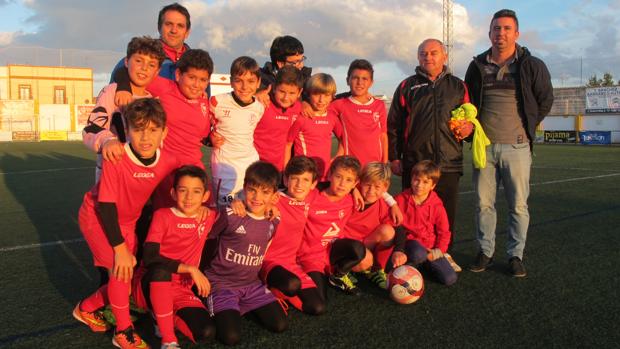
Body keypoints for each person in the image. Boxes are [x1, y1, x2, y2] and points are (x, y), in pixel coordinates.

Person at [73, 99, 180, 349]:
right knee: (120, 270)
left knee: (128, 273)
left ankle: (86, 308)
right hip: (98, 217)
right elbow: (106, 206)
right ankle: (123, 332)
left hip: (128, 222)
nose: (146, 137)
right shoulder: (117, 156)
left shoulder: (168, 161)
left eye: (153, 130)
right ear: (128, 130)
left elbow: (184, 186)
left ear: (164, 132)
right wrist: (120, 248)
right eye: (139, 129)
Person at [465, 9, 553, 277]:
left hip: (517, 147)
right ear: (489, 33)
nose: (500, 33)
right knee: (483, 204)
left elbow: (545, 100)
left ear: (516, 33)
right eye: (496, 28)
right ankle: (486, 252)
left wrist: (527, 128)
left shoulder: (531, 65)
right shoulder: (477, 65)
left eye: (506, 28)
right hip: (485, 148)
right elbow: (468, 103)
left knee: (518, 205)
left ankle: (515, 255)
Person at [387, 38, 472, 255]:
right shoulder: (407, 86)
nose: (428, 57)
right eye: (423, 53)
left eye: (434, 53)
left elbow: (470, 118)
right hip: (416, 162)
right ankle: (408, 254)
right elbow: (394, 124)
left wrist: (469, 129)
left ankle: (444, 254)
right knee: (410, 213)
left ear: (444, 56)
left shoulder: (458, 86)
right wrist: (394, 157)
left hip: (449, 161)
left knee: (445, 214)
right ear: (418, 57)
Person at [113, 48, 214, 209]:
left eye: (203, 80)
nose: (197, 85)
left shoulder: (204, 102)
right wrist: (124, 87)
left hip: (194, 169)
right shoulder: (165, 88)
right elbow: (125, 71)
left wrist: (212, 138)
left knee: (206, 213)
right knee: (169, 218)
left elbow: (200, 134)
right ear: (178, 75)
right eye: (192, 77)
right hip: (168, 172)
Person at [203, 161, 288, 346]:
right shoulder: (231, 214)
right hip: (221, 285)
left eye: (265, 192)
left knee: (279, 324)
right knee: (230, 337)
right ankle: (221, 305)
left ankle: (240, 306)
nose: (257, 197)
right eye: (252, 190)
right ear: (244, 188)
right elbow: (207, 238)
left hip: (251, 285)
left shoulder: (273, 219)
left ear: (274, 195)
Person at [131, 166, 217, 349]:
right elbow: (150, 256)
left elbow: (237, 215)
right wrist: (190, 269)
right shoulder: (162, 216)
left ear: (205, 196)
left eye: (196, 191)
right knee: (161, 272)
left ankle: (162, 315)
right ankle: (169, 340)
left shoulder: (208, 216)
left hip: (182, 289)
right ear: (173, 192)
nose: (189, 197)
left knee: (205, 331)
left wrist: (237, 204)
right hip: (151, 283)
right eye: (183, 190)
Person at [83, 36, 165, 183]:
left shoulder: (153, 101)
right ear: (127, 62)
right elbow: (91, 128)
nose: (144, 68)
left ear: (157, 71)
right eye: (139, 61)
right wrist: (107, 141)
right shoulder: (111, 92)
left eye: (151, 64)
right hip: (112, 172)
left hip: (142, 175)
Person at [260, 156, 325, 314]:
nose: (299, 185)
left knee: (318, 307)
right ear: (285, 179)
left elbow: (335, 188)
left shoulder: (311, 197)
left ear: (313, 184)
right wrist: (235, 201)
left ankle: (279, 292)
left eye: (305, 180)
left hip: (291, 263)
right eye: (294, 179)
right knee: (291, 285)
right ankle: (268, 287)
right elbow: (238, 197)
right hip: (268, 262)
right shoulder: (274, 198)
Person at [297, 156, 367, 297]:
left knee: (359, 250)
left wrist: (392, 203)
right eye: (338, 177)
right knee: (319, 302)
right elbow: (288, 194)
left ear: (355, 183)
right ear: (329, 175)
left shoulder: (351, 200)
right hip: (309, 256)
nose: (342, 184)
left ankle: (338, 275)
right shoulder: (311, 196)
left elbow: (375, 192)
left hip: (332, 251)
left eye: (348, 180)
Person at [391, 160, 457, 286]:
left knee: (450, 279)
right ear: (411, 179)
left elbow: (444, 232)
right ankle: (415, 262)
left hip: (430, 249)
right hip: (410, 245)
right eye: (417, 180)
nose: (419, 185)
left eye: (425, 182)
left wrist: (438, 251)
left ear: (433, 186)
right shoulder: (400, 199)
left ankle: (423, 264)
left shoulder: (437, 205)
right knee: (417, 253)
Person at [210, 56, 264, 206]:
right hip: (224, 166)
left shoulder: (259, 107)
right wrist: (210, 137)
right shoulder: (217, 102)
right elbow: (202, 125)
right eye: (239, 80)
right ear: (231, 81)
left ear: (258, 82)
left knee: (249, 207)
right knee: (227, 208)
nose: (245, 87)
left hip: (250, 164)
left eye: (251, 81)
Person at [342, 162, 397, 289]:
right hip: (343, 247)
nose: (371, 191)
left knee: (388, 231)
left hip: (364, 247)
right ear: (360, 182)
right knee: (365, 260)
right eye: (367, 185)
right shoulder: (348, 199)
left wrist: (399, 251)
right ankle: (342, 269)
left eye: (377, 187)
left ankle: (377, 269)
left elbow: (394, 230)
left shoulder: (383, 205)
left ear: (385, 187)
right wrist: (353, 189)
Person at [284, 73, 343, 184]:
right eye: (316, 94)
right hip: (303, 176)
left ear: (332, 96)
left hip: (325, 175)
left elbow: (344, 139)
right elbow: (288, 144)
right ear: (308, 94)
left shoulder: (332, 118)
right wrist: (286, 172)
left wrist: (338, 156)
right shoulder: (301, 118)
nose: (321, 100)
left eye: (326, 95)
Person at [330, 59, 388, 167]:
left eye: (364, 79)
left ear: (371, 82)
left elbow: (383, 136)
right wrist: (305, 104)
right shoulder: (339, 104)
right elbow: (319, 105)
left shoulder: (379, 105)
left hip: (374, 167)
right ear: (348, 80)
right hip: (349, 167)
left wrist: (384, 164)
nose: (360, 82)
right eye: (355, 78)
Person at [253, 65, 303, 173]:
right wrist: (255, 95)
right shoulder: (262, 103)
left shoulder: (299, 108)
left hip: (279, 170)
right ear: (274, 88)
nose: (286, 97)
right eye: (282, 91)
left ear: (299, 92)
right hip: (255, 167)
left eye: (292, 93)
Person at [257, 35, 312, 101]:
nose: (301, 65)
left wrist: (308, 103)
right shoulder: (260, 81)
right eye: (295, 62)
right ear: (280, 63)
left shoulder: (307, 80)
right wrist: (254, 97)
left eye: (302, 59)